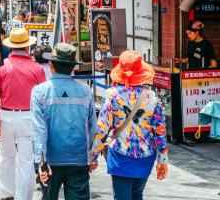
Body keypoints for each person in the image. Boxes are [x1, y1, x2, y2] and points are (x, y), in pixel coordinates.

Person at [93, 51, 168, 200]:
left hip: (120, 154)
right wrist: (162, 161)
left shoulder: (112, 95)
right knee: (137, 194)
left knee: (121, 196)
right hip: (146, 155)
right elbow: (160, 131)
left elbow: (102, 128)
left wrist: (93, 156)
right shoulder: (152, 97)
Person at [32, 43, 97, 200]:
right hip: (79, 158)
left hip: (50, 160)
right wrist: (91, 156)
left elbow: (39, 129)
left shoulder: (39, 92)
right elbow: (92, 126)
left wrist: (41, 162)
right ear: (73, 67)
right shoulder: (85, 91)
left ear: (51, 64)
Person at [0, 27, 45, 200]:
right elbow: (41, 99)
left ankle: (7, 194)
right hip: (29, 117)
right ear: (27, 47)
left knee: (5, 157)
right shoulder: (37, 69)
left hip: (6, 116)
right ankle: (25, 197)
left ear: (11, 47)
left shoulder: (0, 67)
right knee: (27, 161)